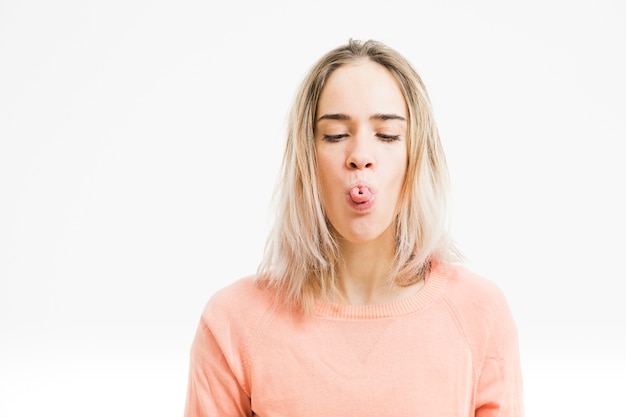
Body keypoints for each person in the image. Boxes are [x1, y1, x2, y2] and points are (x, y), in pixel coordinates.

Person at [184, 39, 524, 416]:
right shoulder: (232, 324)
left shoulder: (480, 314)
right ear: (308, 158)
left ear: (416, 156)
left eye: (387, 135)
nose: (360, 156)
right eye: (335, 135)